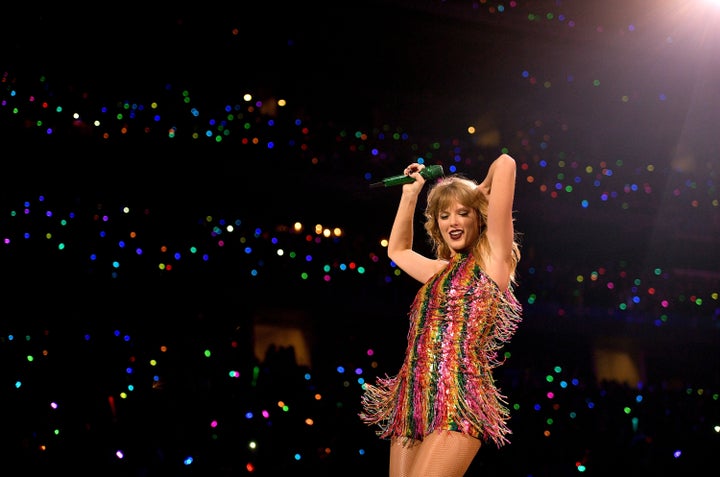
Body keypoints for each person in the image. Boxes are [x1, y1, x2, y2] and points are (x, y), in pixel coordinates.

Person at [360, 154, 523, 477]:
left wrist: (477, 191)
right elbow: (398, 251)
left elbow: (505, 163)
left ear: (480, 218)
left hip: (458, 397)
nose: (453, 222)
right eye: (445, 215)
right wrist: (411, 194)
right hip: (412, 397)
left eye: (464, 213)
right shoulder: (438, 272)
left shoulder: (493, 261)